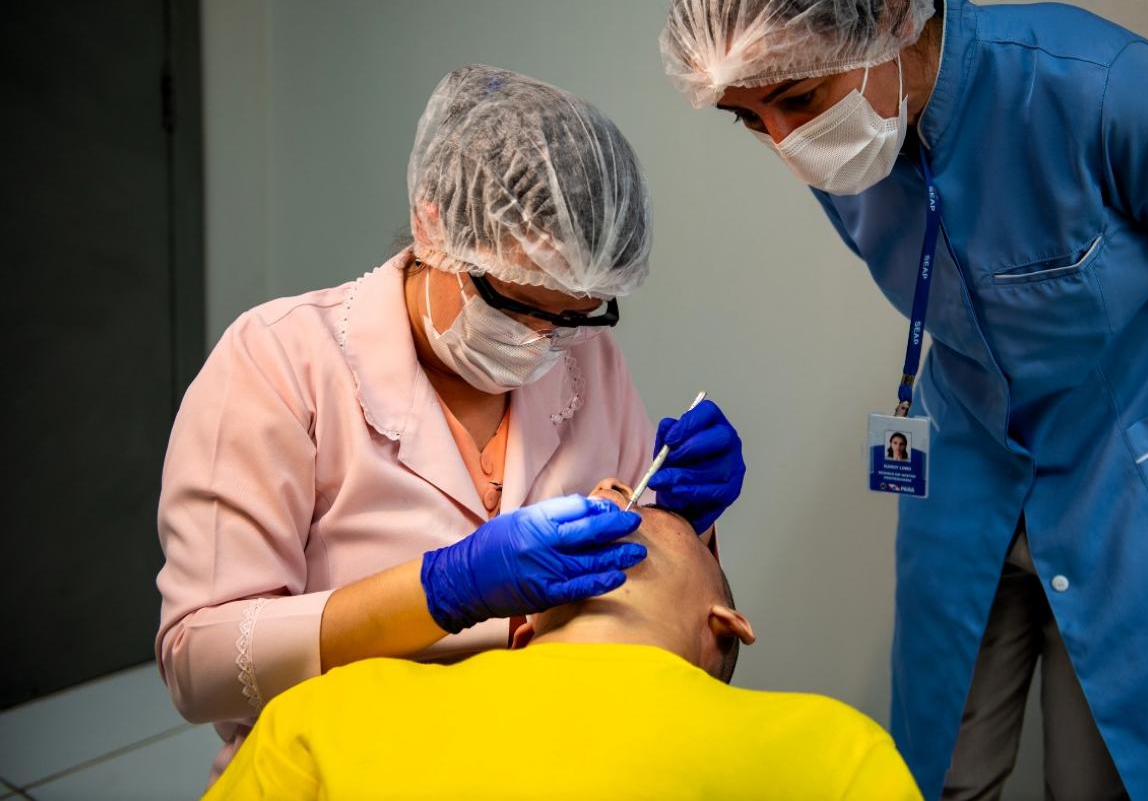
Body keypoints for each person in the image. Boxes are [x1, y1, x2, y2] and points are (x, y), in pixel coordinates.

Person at [660, 0, 1148, 799]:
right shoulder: (844, 145)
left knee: (1111, 776)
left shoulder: (1098, 87)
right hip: (969, 470)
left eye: (797, 99)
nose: (785, 142)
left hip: (1140, 479)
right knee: (935, 770)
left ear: (890, 12)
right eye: (748, 118)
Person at [155, 65, 747, 780]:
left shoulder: (589, 359)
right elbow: (199, 666)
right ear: (434, 223)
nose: (542, 339)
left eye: (575, 312)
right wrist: (441, 590)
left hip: (549, 766)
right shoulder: (278, 361)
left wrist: (684, 523)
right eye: (516, 304)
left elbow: (648, 598)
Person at [203, 479, 922, 800]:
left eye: (661, 513)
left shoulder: (330, 712)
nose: (614, 487)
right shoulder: (836, 747)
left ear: (722, 626)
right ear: (520, 622)